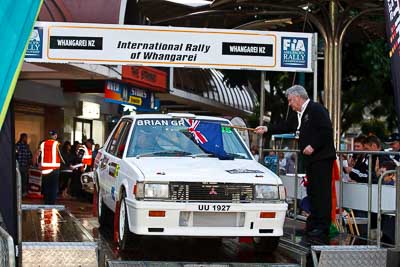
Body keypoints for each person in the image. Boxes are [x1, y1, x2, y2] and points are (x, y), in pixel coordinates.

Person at [255, 84, 336, 239]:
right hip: (310, 160)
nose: (290, 104)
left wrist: (313, 146)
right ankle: (313, 223)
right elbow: (286, 126)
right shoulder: (298, 115)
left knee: (321, 192)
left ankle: (323, 226)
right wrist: (267, 129)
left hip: (322, 158)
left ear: (298, 97)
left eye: (291, 100)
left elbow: (326, 131)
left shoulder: (317, 109)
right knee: (312, 191)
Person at [39, 130, 64, 204]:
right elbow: (61, 156)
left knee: (46, 187)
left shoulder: (43, 144)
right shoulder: (57, 144)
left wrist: (39, 164)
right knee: (53, 188)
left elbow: (39, 155)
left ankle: (46, 202)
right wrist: (66, 164)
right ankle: (51, 203)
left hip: (45, 169)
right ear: (55, 136)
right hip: (54, 169)